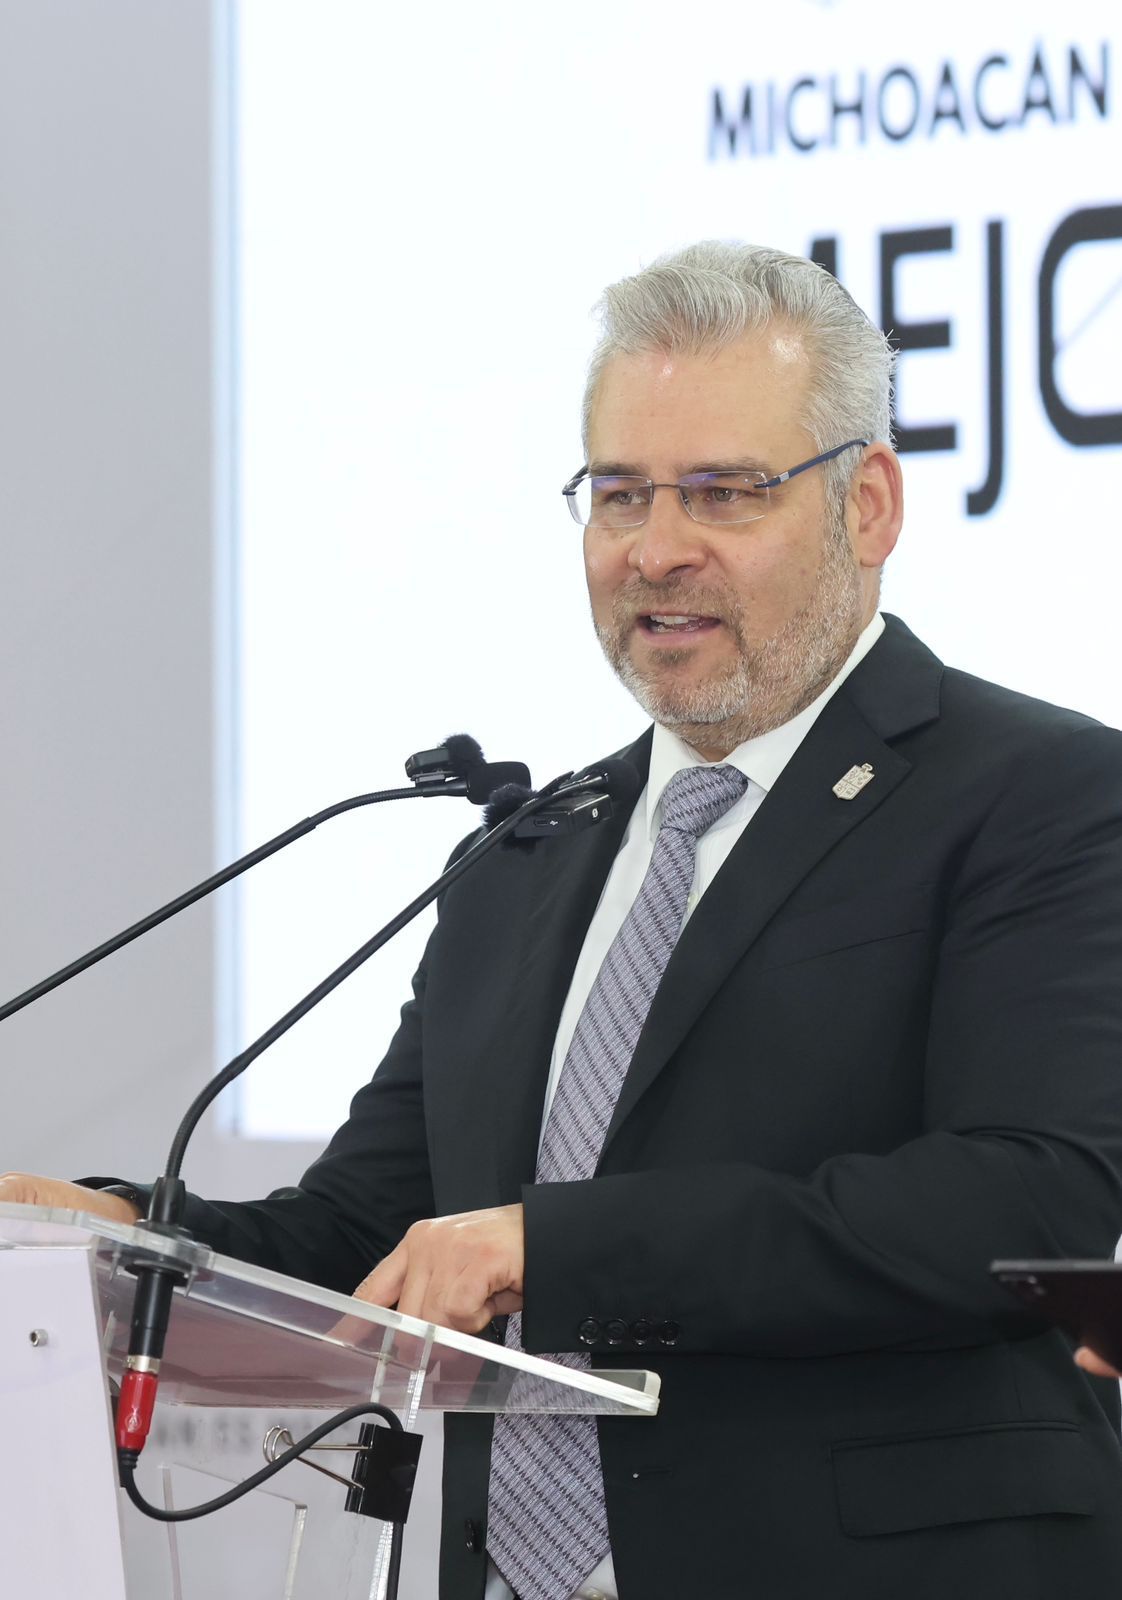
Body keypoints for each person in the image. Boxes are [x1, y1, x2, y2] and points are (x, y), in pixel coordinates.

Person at [5, 241, 1122, 1599]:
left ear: (869, 505)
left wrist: (554, 1247)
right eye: (619, 494)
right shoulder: (526, 852)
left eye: (723, 492)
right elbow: (364, 1234)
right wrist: (119, 1238)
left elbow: (1023, 1206)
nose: (656, 549)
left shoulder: (1042, 792)